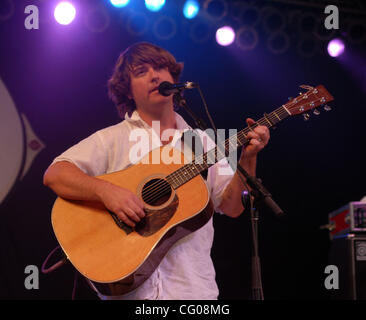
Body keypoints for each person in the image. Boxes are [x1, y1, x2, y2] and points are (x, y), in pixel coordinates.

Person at [43, 42, 270, 300]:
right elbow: (55, 174)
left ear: (173, 78)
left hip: (193, 293)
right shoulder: (112, 139)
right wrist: (107, 192)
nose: (155, 75)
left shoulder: (203, 142)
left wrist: (248, 157)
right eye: (141, 71)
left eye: (161, 68)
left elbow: (232, 206)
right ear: (126, 90)